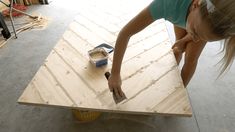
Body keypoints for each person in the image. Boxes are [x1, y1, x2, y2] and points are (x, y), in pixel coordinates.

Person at [108, 0, 235, 98]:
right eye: (196, 33)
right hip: (180, 9)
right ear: (196, 4)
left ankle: (179, 93)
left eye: (203, 38)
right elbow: (126, 33)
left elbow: (199, 32)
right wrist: (115, 73)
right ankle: (175, 65)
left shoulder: (210, 21)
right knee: (178, 47)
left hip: (195, 18)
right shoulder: (166, 4)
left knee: (191, 58)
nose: (195, 39)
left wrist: (187, 39)